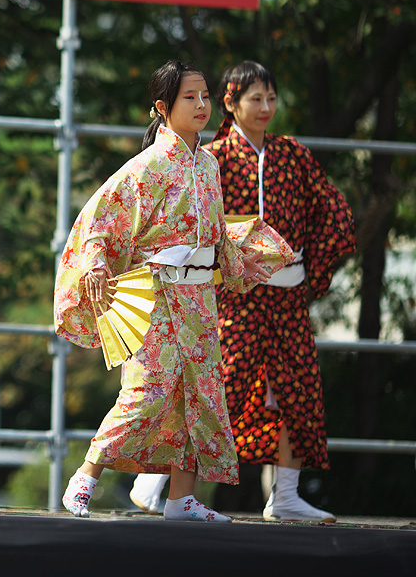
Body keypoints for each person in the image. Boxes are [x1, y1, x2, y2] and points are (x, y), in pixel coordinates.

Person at [54, 60, 293, 522]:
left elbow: (214, 230)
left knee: (198, 394)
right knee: (147, 391)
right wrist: (97, 262)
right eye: (191, 97)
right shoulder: (147, 165)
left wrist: (245, 250)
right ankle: (84, 476)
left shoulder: (208, 163)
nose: (202, 105)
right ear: (162, 107)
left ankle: (182, 499)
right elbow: (99, 220)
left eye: (205, 96)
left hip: (200, 299)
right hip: (157, 297)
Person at [131, 61, 353, 522]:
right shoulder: (213, 158)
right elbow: (186, 225)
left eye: (272, 98)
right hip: (234, 295)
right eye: (256, 98)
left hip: (288, 295)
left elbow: (332, 209)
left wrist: (312, 261)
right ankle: (157, 480)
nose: (266, 107)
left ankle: (286, 494)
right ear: (232, 103)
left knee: (299, 389)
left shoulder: (292, 154)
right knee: (216, 389)